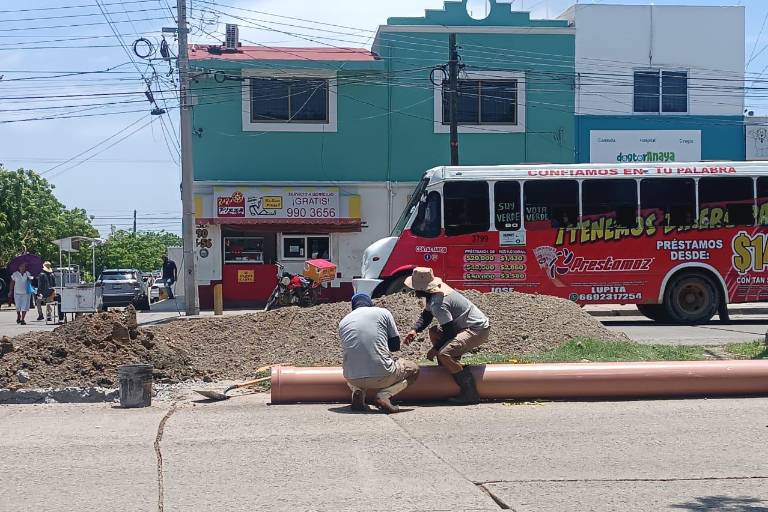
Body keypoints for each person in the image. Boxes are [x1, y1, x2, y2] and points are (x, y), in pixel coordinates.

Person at [403, 267, 491, 405]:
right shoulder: (434, 292)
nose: (413, 291)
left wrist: (435, 349)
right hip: (463, 326)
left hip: (477, 330)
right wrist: (415, 330)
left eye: (415, 288)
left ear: (423, 288)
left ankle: (470, 393)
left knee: (444, 354)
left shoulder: (439, 304)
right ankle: (449, 369)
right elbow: (426, 315)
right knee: (433, 332)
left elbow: (450, 333)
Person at [338, 293, 420, 414]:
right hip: (383, 375)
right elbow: (395, 346)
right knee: (414, 369)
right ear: (370, 304)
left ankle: (357, 392)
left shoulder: (343, 322)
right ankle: (384, 395)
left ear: (353, 307)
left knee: (354, 361)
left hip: (352, 377)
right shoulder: (383, 313)